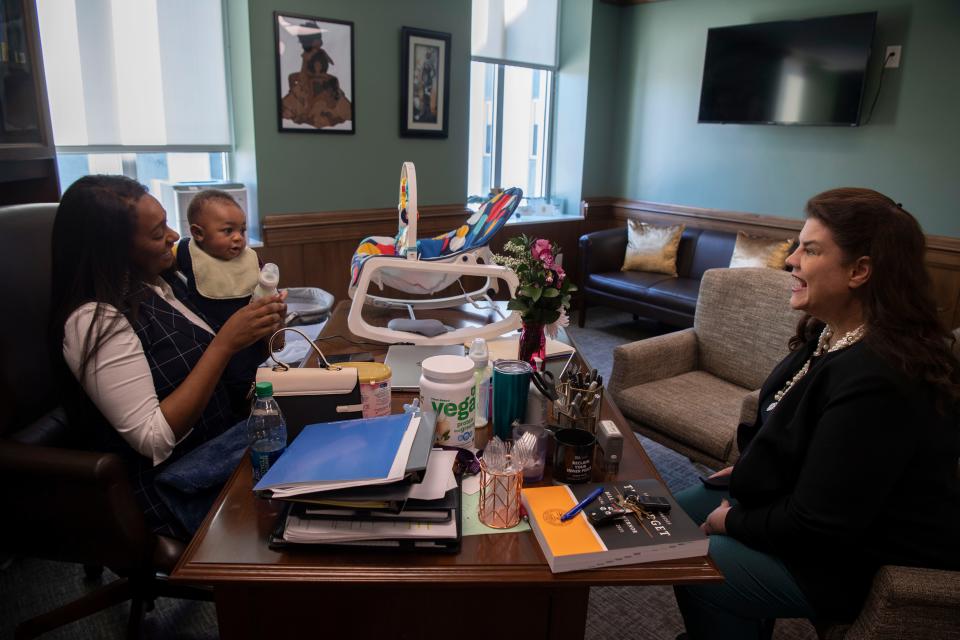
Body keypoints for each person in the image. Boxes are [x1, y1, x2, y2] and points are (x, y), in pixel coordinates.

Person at [672, 188, 960, 639]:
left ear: (860, 270)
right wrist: (751, 469)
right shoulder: (831, 336)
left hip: (860, 558)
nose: (791, 260)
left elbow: (820, 525)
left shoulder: (881, 377)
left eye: (810, 249)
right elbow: (797, 434)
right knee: (671, 516)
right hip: (806, 509)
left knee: (700, 560)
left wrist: (732, 520)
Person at [49, 175, 286, 539]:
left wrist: (261, 328)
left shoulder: (162, 284)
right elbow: (154, 439)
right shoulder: (94, 321)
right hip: (176, 485)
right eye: (159, 233)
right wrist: (224, 344)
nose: (175, 237)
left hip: (226, 447)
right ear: (116, 249)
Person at [176, 189, 266, 413]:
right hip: (209, 347)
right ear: (198, 233)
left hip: (249, 345)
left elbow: (262, 287)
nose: (238, 237)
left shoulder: (250, 260)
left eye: (242, 230)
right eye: (228, 231)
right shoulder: (185, 254)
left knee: (250, 384)